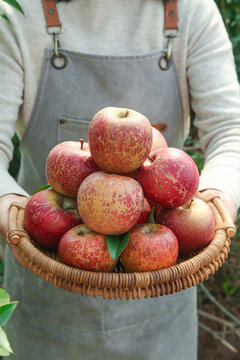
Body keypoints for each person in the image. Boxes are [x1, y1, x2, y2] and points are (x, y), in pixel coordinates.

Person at [0, 0, 239, 359]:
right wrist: (10, 206)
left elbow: (230, 130)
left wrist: (215, 197)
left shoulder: (190, 9)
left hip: (161, 296)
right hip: (47, 284)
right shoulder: (19, 13)